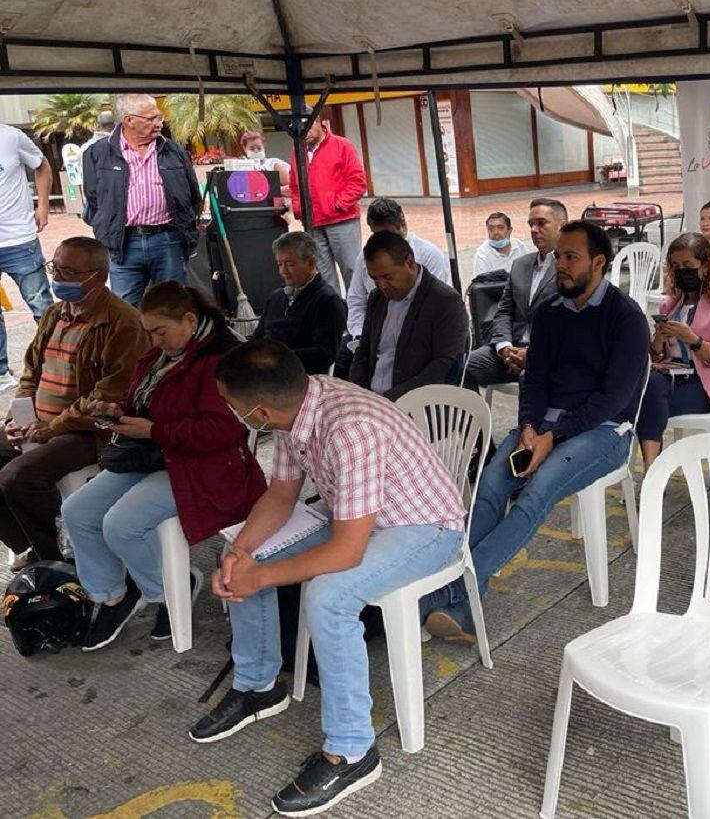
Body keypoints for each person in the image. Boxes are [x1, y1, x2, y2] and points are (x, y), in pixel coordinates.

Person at [189, 340, 465, 817]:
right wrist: (241, 553)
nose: (233, 416)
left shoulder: (348, 429)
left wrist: (262, 575)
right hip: (359, 516)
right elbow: (281, 493)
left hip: (423, 525)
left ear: (259, 411)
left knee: (328, 598)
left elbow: (345, 551)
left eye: (233, 408)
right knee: (243, 559)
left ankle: (353, 751)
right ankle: (259, 686)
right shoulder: (299, 406)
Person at [423, 221, 649, 640]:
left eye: (569, 258)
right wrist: (529, 425)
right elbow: (535, 378)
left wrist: (554, 434)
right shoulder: (549, 313)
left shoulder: (626, 318)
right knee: (491, 485)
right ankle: (461, 606)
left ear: (598, 263)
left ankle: (451, 588)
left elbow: (613, 399)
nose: (558, 265)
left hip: (604, 431)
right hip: (544, 424)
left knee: (538, 491)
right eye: (558, 256)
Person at [61, 283, 266, 651]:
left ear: (189, 320)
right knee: (76, 510)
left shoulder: (220, 359)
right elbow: (143, 401)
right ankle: (111, 594)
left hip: (207, 468)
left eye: (160, 332)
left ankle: (169, 587)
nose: (154, 341)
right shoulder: (160, 357)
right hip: (156, 454)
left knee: (121, 524)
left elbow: (224, 430)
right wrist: (118, 411)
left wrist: (155, 430)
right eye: (149, 332)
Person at [0, 238, 147, 566]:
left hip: (88, 430)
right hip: (40, 421)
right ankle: (28, 545)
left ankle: (59, 560)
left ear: (97, 277)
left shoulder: (123, 323)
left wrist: (51, 427)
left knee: (18, 477)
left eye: (68, 272)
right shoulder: (55, 314)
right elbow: (30, 374)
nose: (57, 278)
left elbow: (108, 397)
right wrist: (17, 417)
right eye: (55, 268)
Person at [637, 232, 710, 467]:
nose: (681, 272)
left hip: (709, 386)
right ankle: (652, 469)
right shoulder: (670, 304)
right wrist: (658, 341)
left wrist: (694, 341)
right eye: (676, 266)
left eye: (688, 265)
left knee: (647, 396)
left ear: (705, 267)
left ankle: (652, 470)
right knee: (645, 387)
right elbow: (659, 356)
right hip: (674, 378)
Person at [81, 93, 203, 305]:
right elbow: (94, 199)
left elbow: (193, 196)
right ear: (129, 120)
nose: (158, 124)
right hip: (124, 243)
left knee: (173, 305)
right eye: (151, 119)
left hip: (168, 240)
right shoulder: (98, 153)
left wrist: (187, 231)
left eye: (159, 118)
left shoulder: (173, 151)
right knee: (124, 309)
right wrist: (106, 229)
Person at [348, 231, 468, 401]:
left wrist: (389, 400)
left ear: (410, 263)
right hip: (373, 400)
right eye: (374, 278)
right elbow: (364, 351)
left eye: (388, 277)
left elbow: (443, 367)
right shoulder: (377, 298)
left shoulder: (445, 302)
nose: (382, 285)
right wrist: (358, 392)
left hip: (418, 403)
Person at [340, 197, 451, 375]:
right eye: (378, 235)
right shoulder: (366, 257)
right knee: (345, 363)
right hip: (372, 334)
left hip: (414, 338)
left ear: (402, 225)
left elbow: (433, 309)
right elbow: (356, 300)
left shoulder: (430, 255)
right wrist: (361, 335)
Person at [463, 198, 564, 391]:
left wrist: (532, 354)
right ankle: (475, 421)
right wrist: (504, 347)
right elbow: (503, 312)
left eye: (541, 223)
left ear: (562, 226)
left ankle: (530, 422)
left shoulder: (570, 268)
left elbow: (568, 325)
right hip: (510, 351)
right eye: (531, 224)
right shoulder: (521, 265)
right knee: (461, 366)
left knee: (532, 378)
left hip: (548, 357)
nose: (534, 230)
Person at [287, 109, 367, 294]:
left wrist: (338, 205)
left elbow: (358, 182)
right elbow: (294, 186)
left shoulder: (342, 145)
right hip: (313, 223)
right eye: (298, 128)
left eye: (306, 126)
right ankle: (335, 315)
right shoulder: (296, 152)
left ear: (318, 122)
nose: (303, 132)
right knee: (323, 275)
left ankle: (360, 315)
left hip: (342, 220)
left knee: (352, 270)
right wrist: (300, 210)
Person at [0, 122, 54, 392]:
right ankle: (1, 372)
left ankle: (56, 360)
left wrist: (42, 205)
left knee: (41, 305)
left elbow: (41, 165)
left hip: (19, 238)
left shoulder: (11, 136)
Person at [252, 232, 347, 375]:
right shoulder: (276, 297)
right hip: (267, 373)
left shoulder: (327, 301)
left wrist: (277, 357)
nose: (283, 271)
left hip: (300, 378)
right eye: (279, 264)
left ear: (311, 263)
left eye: (290, 264)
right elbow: (257, 337)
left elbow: (325, 354)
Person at [472, 211, 527, 277]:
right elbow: (482, 284)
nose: (495, 232)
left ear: (509, 230)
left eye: (500, 227)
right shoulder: (482, 255)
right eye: (491, 228)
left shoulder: (519, 247)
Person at [239, 130, 291, 197]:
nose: (256, 151)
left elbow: (292, 187)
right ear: (244, 148)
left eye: (259, 148)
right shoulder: (241, 167)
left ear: (264, 146)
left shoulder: (274, 164)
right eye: (252, 149)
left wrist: (269, 191)